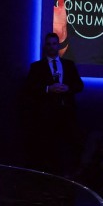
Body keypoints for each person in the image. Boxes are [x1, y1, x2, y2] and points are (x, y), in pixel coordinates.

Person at [22, 31, 85, 175]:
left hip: (67, 113)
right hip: (46, 114)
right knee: (48, 147)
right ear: (46, 46)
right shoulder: (37, 67)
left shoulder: (69, 65)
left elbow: (79, 86)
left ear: (58, 45)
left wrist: (67, 88)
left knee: (67, 147)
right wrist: (48, 88)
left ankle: (67, 175)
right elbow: (29, 88)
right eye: (49, 44)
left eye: (54, 44)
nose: (52, 47)